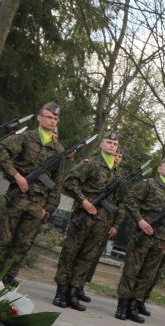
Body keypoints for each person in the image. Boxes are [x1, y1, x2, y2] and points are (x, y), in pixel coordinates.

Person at [0, 102, 65, 286]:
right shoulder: (25, 138)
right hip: (18, 197)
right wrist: (16, 175)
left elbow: (58, 181)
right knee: (4, 239)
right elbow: (0, 152)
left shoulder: (59, 150)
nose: (52, 120)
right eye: (49, 117)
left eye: (55, 118)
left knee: (24, 243)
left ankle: (8, 277)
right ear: (39, 118)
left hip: (38, 203)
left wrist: (49, 207)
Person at [52, 132, 125, 311]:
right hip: (84, 219)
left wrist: (113, 223)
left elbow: (118, 202)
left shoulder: (115, 174)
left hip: (102, 223)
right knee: (70, 253)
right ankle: (60, 292)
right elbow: (70, 182)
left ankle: (73, 292)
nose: (112, 146)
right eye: (109, 142)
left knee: (86, 257)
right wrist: (83, 201)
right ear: (101, 145)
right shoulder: (90, 163)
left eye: (115, 144)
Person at [115, 157, 165, 323]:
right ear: (159, 169)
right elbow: (130, 200)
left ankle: (134, 306)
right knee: (132, 270)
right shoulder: (148, 184)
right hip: (143, 236)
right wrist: (140, 220)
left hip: (161, 240)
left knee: (147, 275)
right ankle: (122, 305)